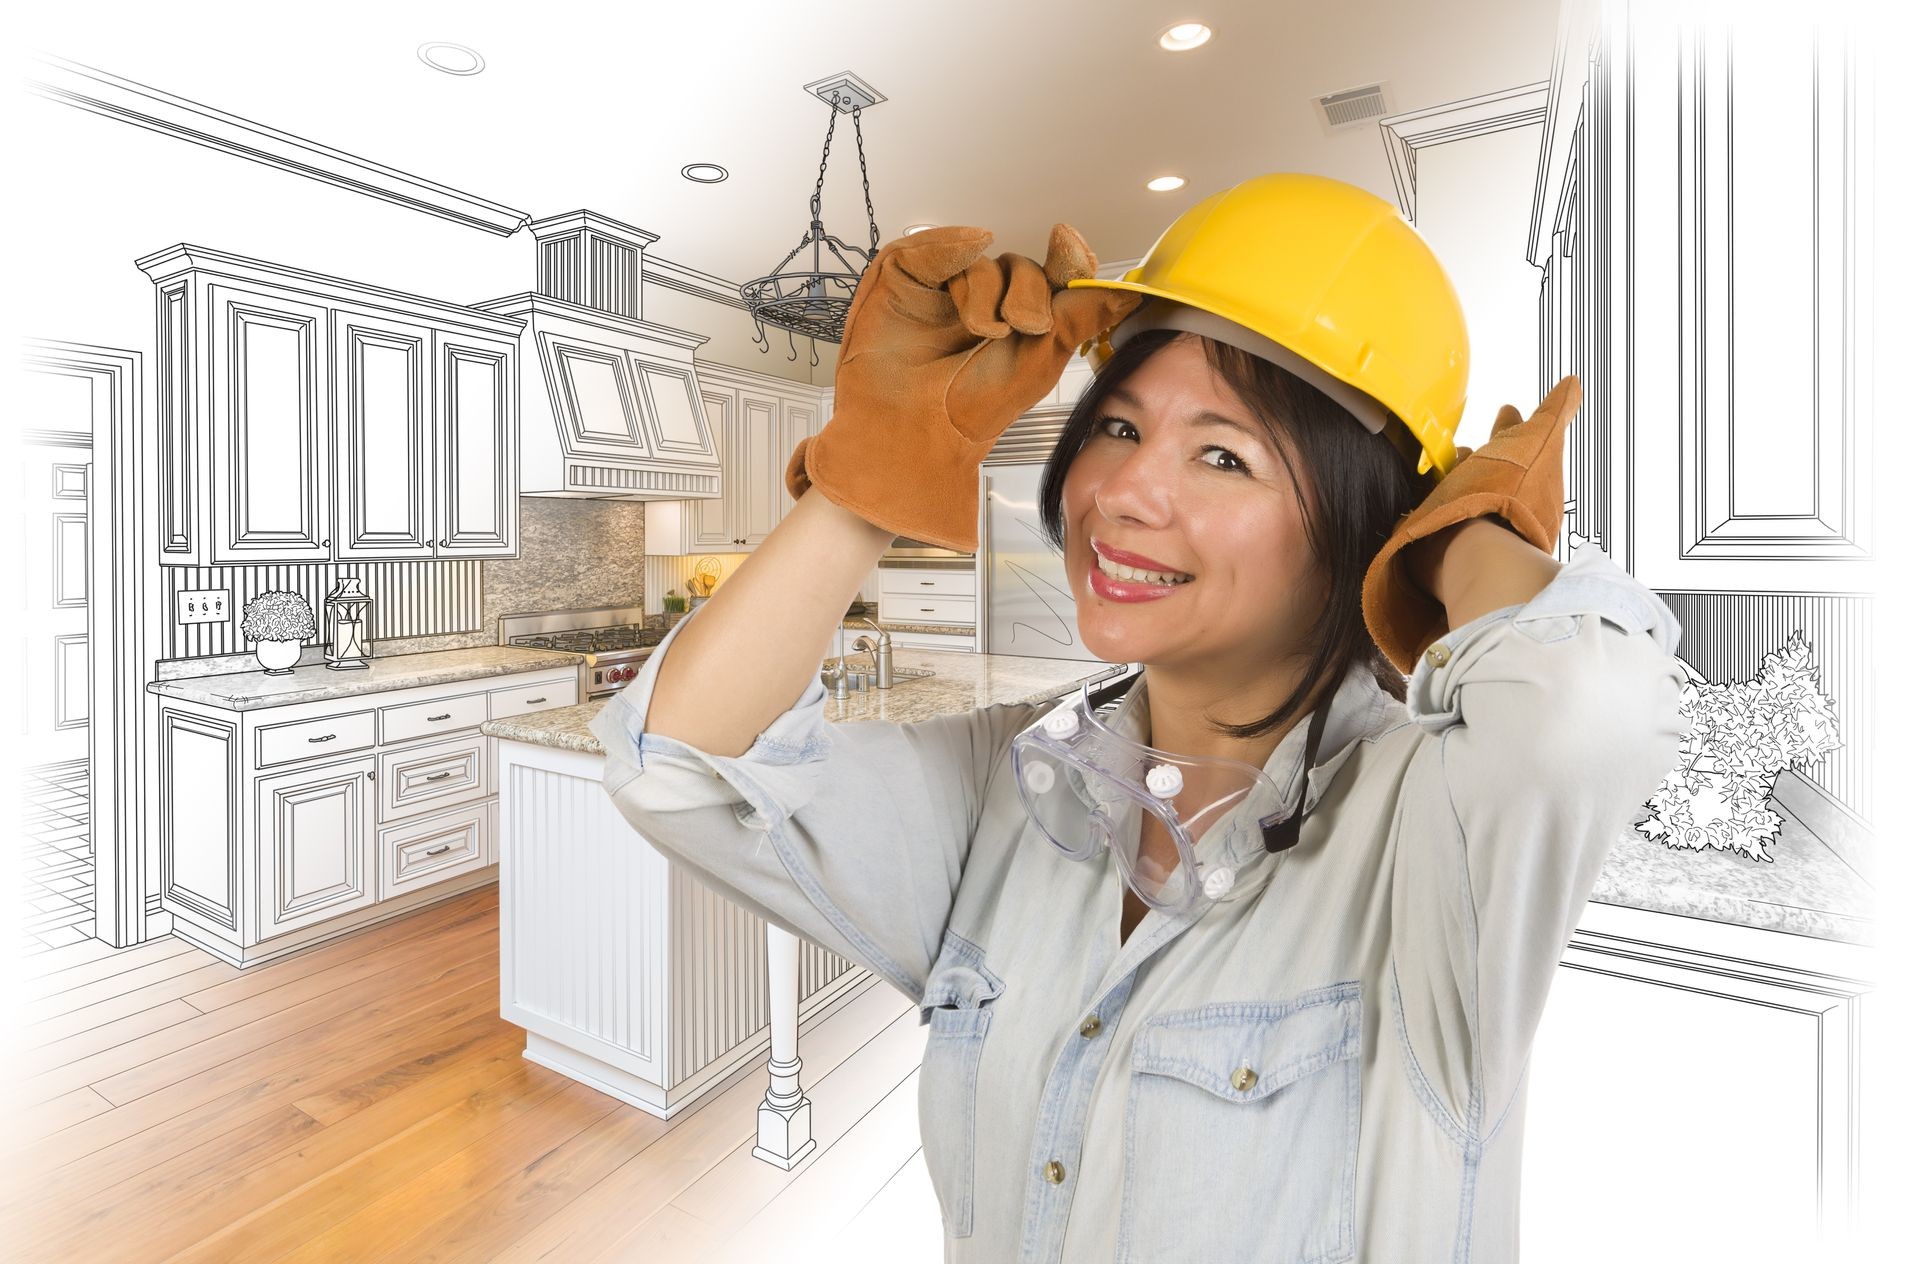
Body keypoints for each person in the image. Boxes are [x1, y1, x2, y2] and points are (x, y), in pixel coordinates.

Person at [588, 172, 1690, 1262]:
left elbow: (1585, 713)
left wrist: (1458, 534)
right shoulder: (1012, 784)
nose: (1121, 491)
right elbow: (676, 764)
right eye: (1116, 425)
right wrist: (870, 473)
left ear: (1369, 520)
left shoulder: (1435, 833)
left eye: (1224, 454)